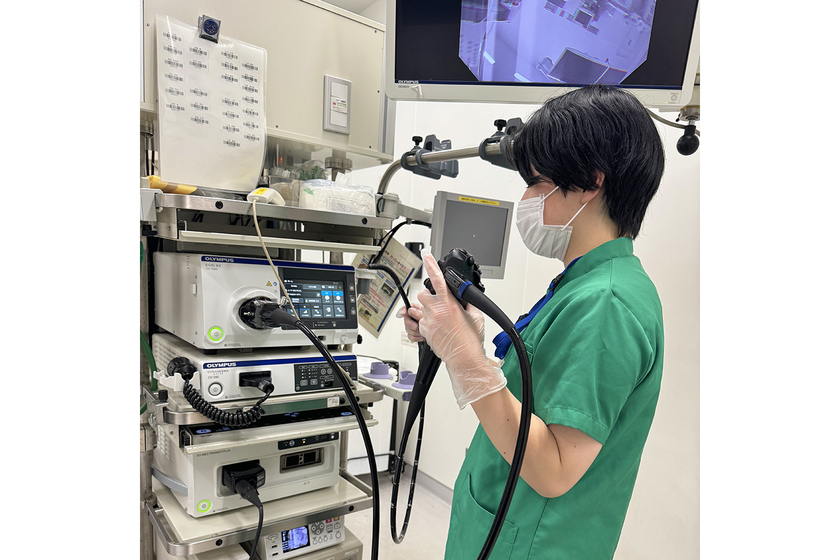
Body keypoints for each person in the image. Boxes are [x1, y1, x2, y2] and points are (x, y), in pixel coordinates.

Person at [398, 85, 666, 560]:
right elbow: (538, 390)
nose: (525, 198)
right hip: (505, 523)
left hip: (532, 545)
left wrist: (464, 358)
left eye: (537, 182)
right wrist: (459, 339)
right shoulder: (583, 284)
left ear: (591, 181)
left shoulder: (606, 303)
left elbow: (554, 468)